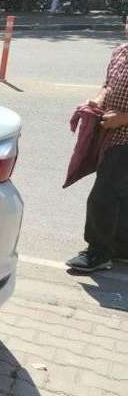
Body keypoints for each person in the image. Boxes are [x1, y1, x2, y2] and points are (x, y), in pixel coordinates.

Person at [67, 42, 128, 273]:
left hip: (125, 138)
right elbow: (107, 85)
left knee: (103, 194)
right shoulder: (121, 50)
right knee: (121, 194)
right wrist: (99, 99)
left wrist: (123, 118)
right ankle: (121, 248)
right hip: (112, 136)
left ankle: (98, 253)